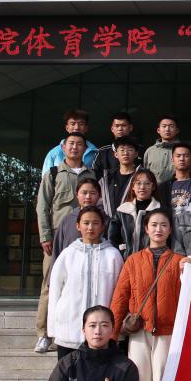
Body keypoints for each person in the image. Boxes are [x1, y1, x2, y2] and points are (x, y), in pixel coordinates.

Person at [109, 209, 183, 381]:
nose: (159, 229)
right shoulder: (133, 260)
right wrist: (112, 334)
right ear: (146, 229)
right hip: (139, 332)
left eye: (163, 225)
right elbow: (120, 297)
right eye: (154, 225)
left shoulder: (179, 261)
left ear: (170, 230)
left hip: (168, 332)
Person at [35, 132, 96, 354]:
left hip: (88, 236)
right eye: (71, 144)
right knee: (50, 283)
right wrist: (45, 235)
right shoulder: (53, 173)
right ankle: (44, 334)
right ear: (63, 147)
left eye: (79, 144)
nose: (75, 148)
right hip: (58, 237)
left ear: (85, 149)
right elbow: (42, 206)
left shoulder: (93, 174)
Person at [47, 206, 124, 359]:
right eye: (86, 223)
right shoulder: (68, 254)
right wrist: (53, 326)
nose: (90, 227)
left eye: (95, 223)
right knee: (68, 371)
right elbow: (55, 290)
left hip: (101, 334)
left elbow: (119, 293)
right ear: (78, 226)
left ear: (102, 227)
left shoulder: (113, 255)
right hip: (69, 330)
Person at [108, 169, 162, 259]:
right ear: (133, 186)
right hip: (125, 261)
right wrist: (121, 254)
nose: (142, 187)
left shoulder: (160, 211)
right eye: (138, 183)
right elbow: (112, 239)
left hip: (151, 261)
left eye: (147, 183)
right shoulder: (122, 211)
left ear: (153, 187)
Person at [51, 179, 102, 264]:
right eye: (84, 193)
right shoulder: (67, 220)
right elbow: (57, 250)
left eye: (93, 193)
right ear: (77, 195)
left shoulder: (106, 220)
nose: (88, 197)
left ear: (99, 195)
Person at [98, 136, 141, 218]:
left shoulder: (141, 176)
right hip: (108, 222)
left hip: (132, 221)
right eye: (122, 150)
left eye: (130, 150)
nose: (126, 153)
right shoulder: (107, 177)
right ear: (116, 154)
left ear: (136, 154)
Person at [92, 113, 143, 181]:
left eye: (123, 125)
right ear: (112, 129)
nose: (120, 129)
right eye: (117, 126)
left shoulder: (141, 150)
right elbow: (94, 176)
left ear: (130, 128)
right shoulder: (102, 152)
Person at [142, 114, 180, 185]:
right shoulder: (150, 151)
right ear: (158, 130)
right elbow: (145, 175)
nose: (167, 129)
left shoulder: (182, 150)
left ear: (177, 130)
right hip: (155, 190)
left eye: (171, 126)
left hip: (177, 189)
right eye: (164, 126)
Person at [163, 142, 191, 212]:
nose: (181, 159)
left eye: (186, 156)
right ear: (172, 160)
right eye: (178, 156)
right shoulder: (164, 187)